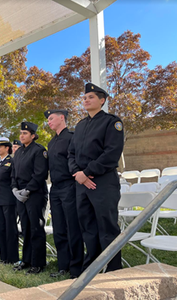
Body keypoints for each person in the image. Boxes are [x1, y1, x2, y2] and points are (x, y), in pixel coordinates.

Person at [68, 83, 124, 272]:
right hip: (82, 185)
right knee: (88, 229)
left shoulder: (112, 122)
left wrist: (87, 172)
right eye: (84, 98)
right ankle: (91, 270)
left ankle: (113, 270)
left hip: (103, 183)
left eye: (90, 97)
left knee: (107, 228)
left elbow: (111, 153)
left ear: (102, 100)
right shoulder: (80, 125)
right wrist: (78, 174)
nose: (86, 100)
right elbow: (71, 154)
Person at [45, 109, 84, 279]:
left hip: (70, 186)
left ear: (62, 118)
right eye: (48, 119)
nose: (49, 121)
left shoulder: (72, 137)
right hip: (55, 188)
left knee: (72, 227)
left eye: (51, 118)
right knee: (59, 228)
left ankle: (76, 267)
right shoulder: (52, 142)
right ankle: (63, 265)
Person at [12, 121, 48, 275]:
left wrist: (27, 190)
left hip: (34, 195)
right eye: (21, 133)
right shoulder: (19, 152)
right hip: (20, 195)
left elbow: (40, 174)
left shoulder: (39, 151)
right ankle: (26, 259)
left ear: (33, 136)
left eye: (25, 133)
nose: (22, 135)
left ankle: (38, 263)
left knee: (35, 228)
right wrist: (14, 189)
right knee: (25, 228)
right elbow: (13, 172)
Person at [0, 137, 19, 264]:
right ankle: (3, 256)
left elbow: (13, 179)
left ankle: (12, 257)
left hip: (8, 199)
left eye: (0, 146)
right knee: (0, 228)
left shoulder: (11, 161)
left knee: (10, 229)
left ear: (7, 148)